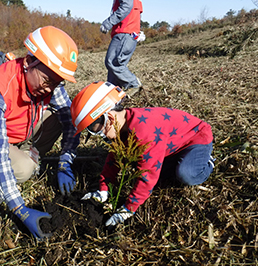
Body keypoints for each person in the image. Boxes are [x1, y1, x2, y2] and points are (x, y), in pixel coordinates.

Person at [0, 26, 79, 239]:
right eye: (48, 81)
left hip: (19, 131)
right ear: (28, 62)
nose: (51, 89)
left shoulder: (48, 82)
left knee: (59, 118)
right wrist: (19, 209)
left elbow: (70, 121)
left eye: (57, 83)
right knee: (24, 169)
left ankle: (23, 155)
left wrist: (65, 160)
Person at [71, 81, 215, 227]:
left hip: (195, 138)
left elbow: (147, 176)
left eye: (95, 128)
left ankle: (206, 162)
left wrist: (128, 208)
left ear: (110, 118)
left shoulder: (144, 134)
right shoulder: (121, 126)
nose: (99, 135)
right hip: (170, 146)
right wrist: (103, 189)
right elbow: (115, 158)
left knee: (186, 174)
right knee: (148, 166)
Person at [100, 0, 144, 97]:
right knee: (114, 66)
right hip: (129, 33)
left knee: (114, 63)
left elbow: (126, 7)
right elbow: (137, 13)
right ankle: (113, 92)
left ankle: (133, 84)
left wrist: (108, 23)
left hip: (124, 32)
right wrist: (137, 30)